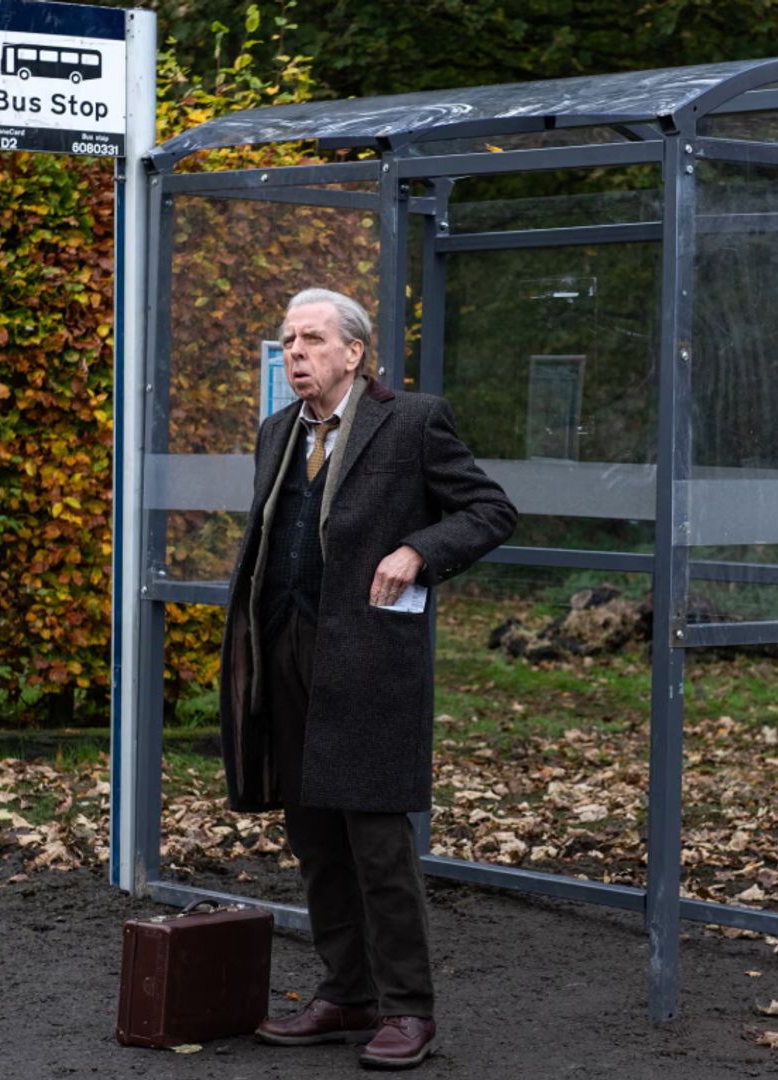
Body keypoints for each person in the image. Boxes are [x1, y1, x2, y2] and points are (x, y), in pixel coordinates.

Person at [218, 287, 516, 1069]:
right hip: (284, 647)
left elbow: (489, 510)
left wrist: (418, 549)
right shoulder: (277, 431)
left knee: (377, 843)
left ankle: (408, 1009)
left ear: (354, 352)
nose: (295, 354)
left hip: (369, 663)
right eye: (287, 342)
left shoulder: (414, 422)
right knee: (314, 837)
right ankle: (347, 991)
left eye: (312, 340)